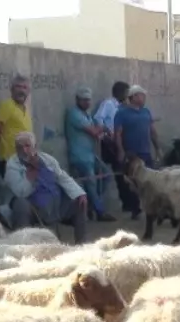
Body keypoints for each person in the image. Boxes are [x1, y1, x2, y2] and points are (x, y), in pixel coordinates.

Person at [4, 132, 89, 243]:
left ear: (34, 146)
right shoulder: (12, 165)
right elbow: (20, 192)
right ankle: (23, 245)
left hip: (55, 204)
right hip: (34, 208)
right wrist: (31, 179)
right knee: (20, 204)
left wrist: (79, 193)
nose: (24, 150)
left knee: (80, 201)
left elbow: (62, 177)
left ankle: (81, 244)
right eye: (20, 147)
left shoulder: (47, 159)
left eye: (27, 146)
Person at [64, 86, 116, 223]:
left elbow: (96, 132)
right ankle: (100, 211)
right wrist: (104, 128)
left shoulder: (86, 115)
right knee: (91, 182)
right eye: (84, 100)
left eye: (88, 100)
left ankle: (93, 204)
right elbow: (93, 131)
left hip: (90, 155)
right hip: (79, 156)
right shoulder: (74, 113)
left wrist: (103, 132)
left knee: (106, 176)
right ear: (77, 100)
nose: (87, 103)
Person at [113, 85, 161, 219]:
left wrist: (158, 148)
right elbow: (117, 134)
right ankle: (136, 209)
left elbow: (152, 131)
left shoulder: (146, 112)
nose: (143, 98)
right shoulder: (121, 113)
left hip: (145, 152)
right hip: (131, 154)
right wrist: (121, 151)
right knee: (133, 183)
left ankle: (153, 208)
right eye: (141, 95)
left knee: (151, 181)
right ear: (133, 97)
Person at [94, 80, 141, 218]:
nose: (128, 95)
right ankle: (129, 204)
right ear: (120, 93)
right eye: (127, 92)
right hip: (111, 143)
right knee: (120, 173)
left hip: (121, 141)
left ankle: (130, 204)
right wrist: (107, 133)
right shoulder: (108, 104)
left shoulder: (122, 106)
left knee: (123, 173)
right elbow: (98, 118)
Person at [0, 74, 33, 177]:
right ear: (11, 89)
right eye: (18, 86)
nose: (21, 90)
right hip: (9, 159)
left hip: (24, 158)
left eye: (24, 87)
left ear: (28, 91)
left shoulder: (25, 108)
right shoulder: (7, 105)